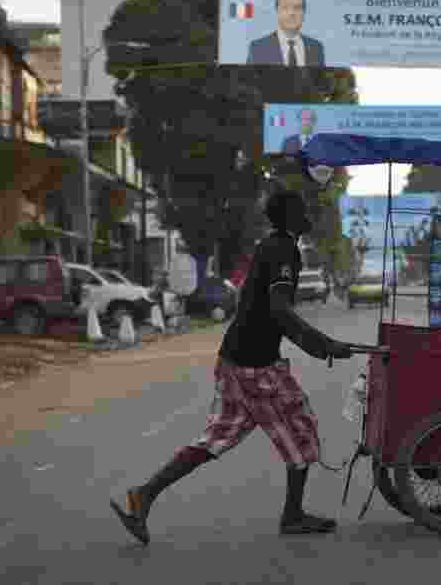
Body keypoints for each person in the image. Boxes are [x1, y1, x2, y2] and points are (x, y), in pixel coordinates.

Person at [110, 190, 353, 545]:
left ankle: (143, 496)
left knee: (216, 438)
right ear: (289, 217)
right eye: (302, 210)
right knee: (301, 428)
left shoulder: (271, 246)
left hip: (234, 358)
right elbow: (279, 310)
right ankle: (293, 515)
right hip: (255, 364)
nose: (309, 214)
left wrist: (318, 345)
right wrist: (322, 345)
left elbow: (266, 308)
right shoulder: (284, 249)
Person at [247, 0, 325, 66]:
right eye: (285, 7)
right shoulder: (258, 48)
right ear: (277, 11)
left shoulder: (316, 48)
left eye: (297, 8)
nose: (291, 13)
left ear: (304, 13)